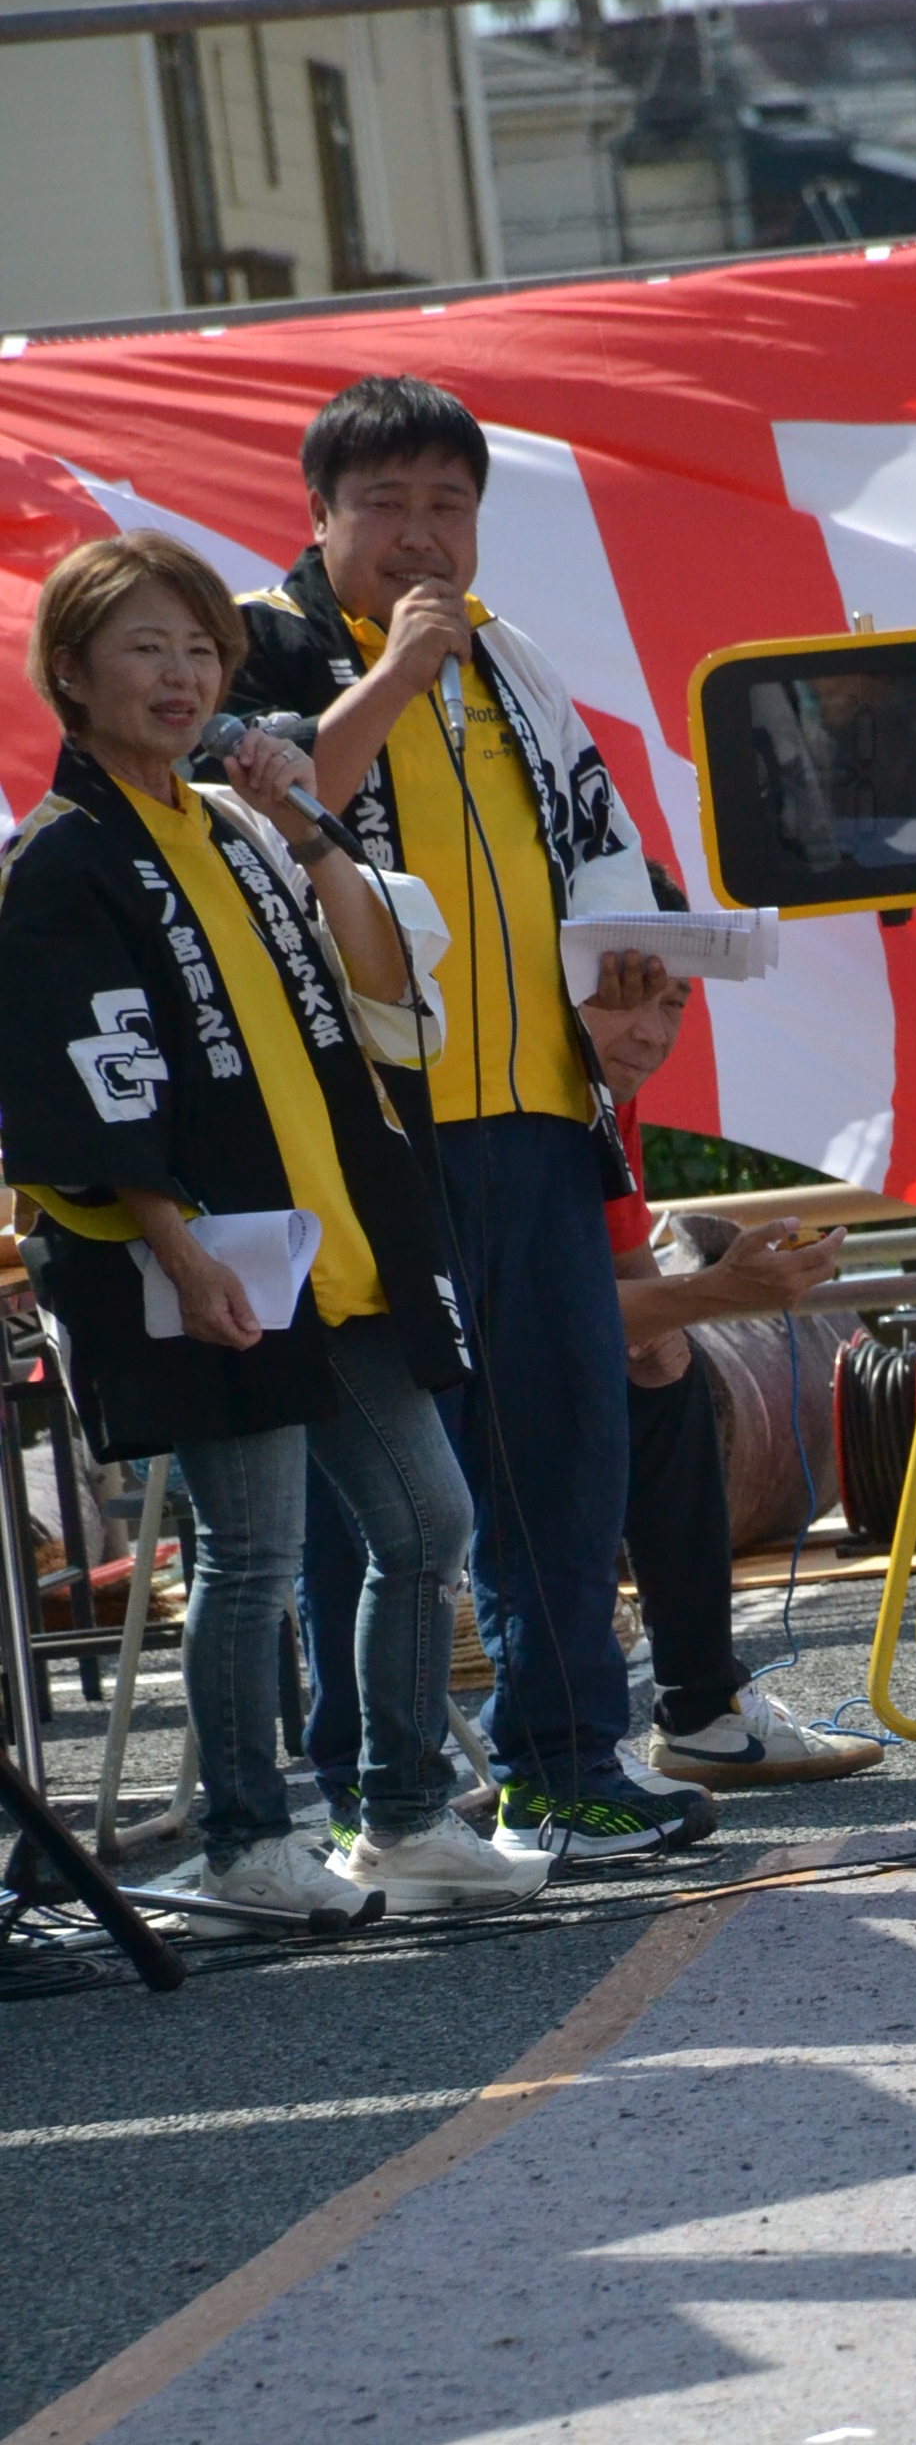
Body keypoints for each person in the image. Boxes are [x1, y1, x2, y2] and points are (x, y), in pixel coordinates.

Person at [0, 533, 527, 1920]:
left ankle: (404, 1815)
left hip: (332, 1240)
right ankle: (245, 1837)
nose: (180, 678)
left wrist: (303, 816)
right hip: (213, 1260)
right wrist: (175, 1246)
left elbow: (383, 981)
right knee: (252, 1554)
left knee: (427, 1524)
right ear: (72, 673)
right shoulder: (62, 859)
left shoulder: (232, 825)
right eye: (144, 650)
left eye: (197, 651)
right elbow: (88, 1079)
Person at [228, 374, 713, 1870]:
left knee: (562, 1453)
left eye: (452, 507)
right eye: (387, 506)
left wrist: (640, 1002)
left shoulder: (516, 667)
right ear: (320, 515)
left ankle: (565, 1760)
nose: (423, 539)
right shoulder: (258, 645)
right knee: (384, 1485)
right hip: (365, 1137)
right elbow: (264, 812)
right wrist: (395, 672)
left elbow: (615, 861)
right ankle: (380, 1796)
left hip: (537, 1121)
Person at [583, 867, 885, 1787]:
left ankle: (703, 1711)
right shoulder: (503, 1092)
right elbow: (534, 1321)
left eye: (671, 1003)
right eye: (624, 997)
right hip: (419, 1361)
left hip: (531, 1344)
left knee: (670, 1381)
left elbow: (624, 1261)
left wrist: (673, 1321)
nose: (650, 1030)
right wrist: (716, 1295)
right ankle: (547, 1765)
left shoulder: (609, 1092)